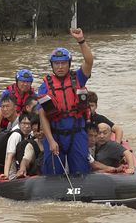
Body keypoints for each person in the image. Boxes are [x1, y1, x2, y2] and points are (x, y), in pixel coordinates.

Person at [38, 28, 94, 175]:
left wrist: (81, 41)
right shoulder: (45, 86)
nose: (60, 67)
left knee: (81, 171)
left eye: (63, 63)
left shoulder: (78, 78)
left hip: (77, 133)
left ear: (69, 64)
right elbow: (43, 116)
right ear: (52, 65)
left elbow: (89, 61)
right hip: (55, 134)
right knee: (52, 172)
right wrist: (50, 140)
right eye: (57, 64)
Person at [0, 112, 33, 180]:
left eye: (29, 124)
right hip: (13, 175)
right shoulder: (16, 136)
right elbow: (9, 156)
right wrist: (6, 174)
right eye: (24, 123)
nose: (26, 126)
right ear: (19, 124)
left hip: (23, 171)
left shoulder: (30, 135)